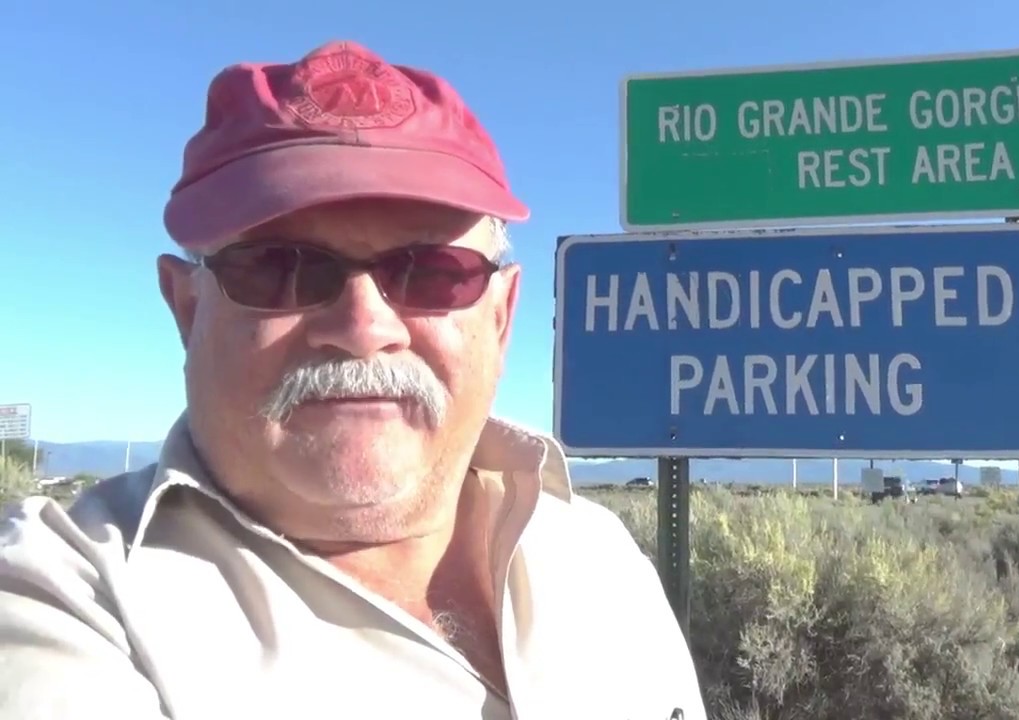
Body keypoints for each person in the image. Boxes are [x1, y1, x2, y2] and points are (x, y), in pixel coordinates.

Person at [0, 40, 706, 720]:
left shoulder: (599, 555)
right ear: (187, 308)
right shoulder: (67, 600)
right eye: (280, 269)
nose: (364, 327)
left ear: (500, 318)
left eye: (430, 273)